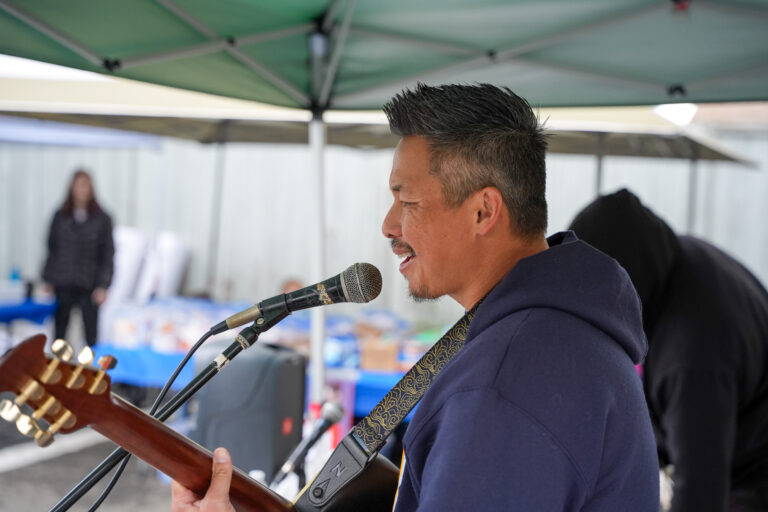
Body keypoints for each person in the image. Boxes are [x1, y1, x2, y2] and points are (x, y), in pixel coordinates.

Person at [171, 84, 660, 511]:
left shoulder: (504, 380)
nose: (389, 225)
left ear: (482, 211)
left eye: (408, 202)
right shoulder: (548, 338)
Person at [569, 188, 768, 512]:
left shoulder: (692, 354)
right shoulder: (676, 258)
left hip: (753, 478)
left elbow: (701, 490)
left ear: (620, 279)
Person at [42, 169, 114, 347]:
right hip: (63, 283)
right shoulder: (61, 217)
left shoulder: (101, 219)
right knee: (59, 335)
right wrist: (48, 279)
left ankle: (90, 371)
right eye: (79, 186)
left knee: (91, 337)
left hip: (89, 284)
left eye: (86, 186)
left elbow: (108, 254)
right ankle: (57, 370)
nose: (82, 190)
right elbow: (52, 249)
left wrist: (103, 285)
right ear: (71, 188)